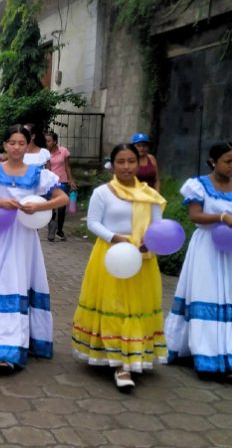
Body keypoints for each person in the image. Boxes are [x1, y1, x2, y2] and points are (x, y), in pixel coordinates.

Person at [0, 125, 68, 371]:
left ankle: (10, 347)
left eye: (21, 143)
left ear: (28, 145)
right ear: (4, 145)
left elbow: (62, 198)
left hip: (24, 239)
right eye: (11, 142)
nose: (16, 147)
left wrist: (40, 207)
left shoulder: (38, 174)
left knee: (15, 282)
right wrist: (0, 202)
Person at [71, 143, 167, 390]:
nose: (126, 166)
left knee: (137, 306)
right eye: (121, 162)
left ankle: (135, 353)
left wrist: (150, 242)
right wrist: (116, 238)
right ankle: (118, 363)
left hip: (143, 257)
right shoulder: (103, 192)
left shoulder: (149, 194)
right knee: (114, 304)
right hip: (111, 255)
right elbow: (93, 223)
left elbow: (158, 225)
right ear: (112, 165)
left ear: (139, 163)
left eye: (131, 161)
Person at [165, 142, 232, 376]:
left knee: (227, 298)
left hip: (230, 251)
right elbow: (195, 216)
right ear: (213, 161)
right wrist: (223, 217)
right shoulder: (198, 185)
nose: (231, 166)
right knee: (206, 295)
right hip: (206, 248)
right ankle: (205, 356)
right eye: (228, 161)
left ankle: (226, 354)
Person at [45, 131, 77, 241]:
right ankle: (51, 229)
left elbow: (67, 166)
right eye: (45, 141)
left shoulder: (63, 151)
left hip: (63, 182)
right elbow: (47, 170)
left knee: (62, 208)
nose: (46, 143)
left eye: (48, 141)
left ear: (55, 142)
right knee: (52, 207)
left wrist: (70, 180)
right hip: (52, 183)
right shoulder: (45, 154)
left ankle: (60, 230)